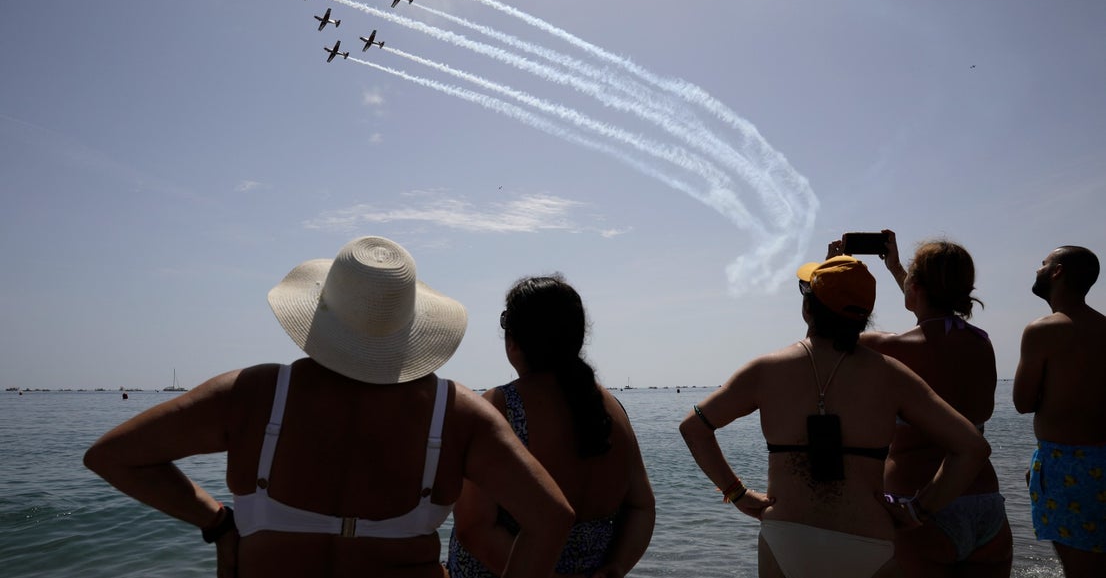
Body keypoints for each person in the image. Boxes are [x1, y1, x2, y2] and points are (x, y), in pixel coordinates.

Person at [84, 236, 574, 578]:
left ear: (318, 313)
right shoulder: (457, 413)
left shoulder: (251, 395)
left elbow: (112, 455)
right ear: (409, 328)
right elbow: (550, 516)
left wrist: (216, 521)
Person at [680, 255, 991, 578]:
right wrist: (919, 508)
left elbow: (694, 427)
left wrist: (737, 494)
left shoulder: (766, 371)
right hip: (868, 539)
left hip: (787, 535)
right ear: (865, 317)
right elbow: (972, 447)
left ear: (808, 308)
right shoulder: (891, 375)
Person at [448, 274, 655, 578]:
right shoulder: (610, 409)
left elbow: (474, 528)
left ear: (514, 341)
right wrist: (617, 565)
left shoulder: (502, 407)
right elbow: (641, 507)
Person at [857, 232, 1012, 576]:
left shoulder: (886, 348)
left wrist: (833, 273)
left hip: (919, 506)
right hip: (985, 504)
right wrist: (897, 268)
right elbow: (931, 313)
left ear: (915, 286)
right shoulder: (981, 344)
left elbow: (827, 335)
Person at [1013, 245, 1106, 577]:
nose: (1038, 269)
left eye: (1043, 264)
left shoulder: (1044, 330)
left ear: (1057, 272)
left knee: (1079, 570)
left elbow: (1022, 403)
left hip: (1065, 465)